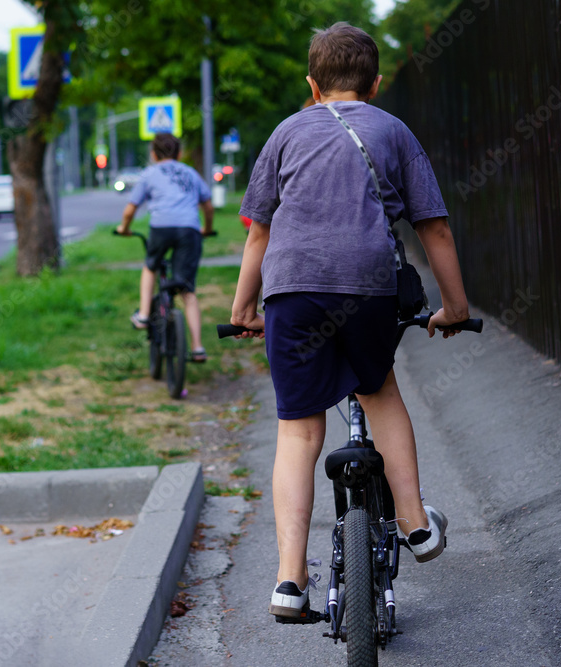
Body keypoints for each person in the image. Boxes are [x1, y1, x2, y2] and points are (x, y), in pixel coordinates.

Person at [229, 22, 473, 618]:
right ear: (376, 84)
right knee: (379, 390)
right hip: (367, 287)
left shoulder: (286, 132)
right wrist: (455, 307)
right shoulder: (392, 130)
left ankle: (289, 580)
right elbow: (432, 226)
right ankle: (415, 523)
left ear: (312, 85)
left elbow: (259, 229)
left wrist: (242, 310)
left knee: (298, 430)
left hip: (290, 291)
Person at [116, 133, 215, 362]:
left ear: (153, 154)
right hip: (189, 230)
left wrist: (124, 228)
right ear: (179, 154)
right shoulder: (190, 173)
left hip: (161, 228)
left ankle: (142, 315)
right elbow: (208, 206)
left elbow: (131, 209)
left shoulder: (149, 174)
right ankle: (198, 348)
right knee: (188, 291)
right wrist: (207, 228)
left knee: (150, 266)